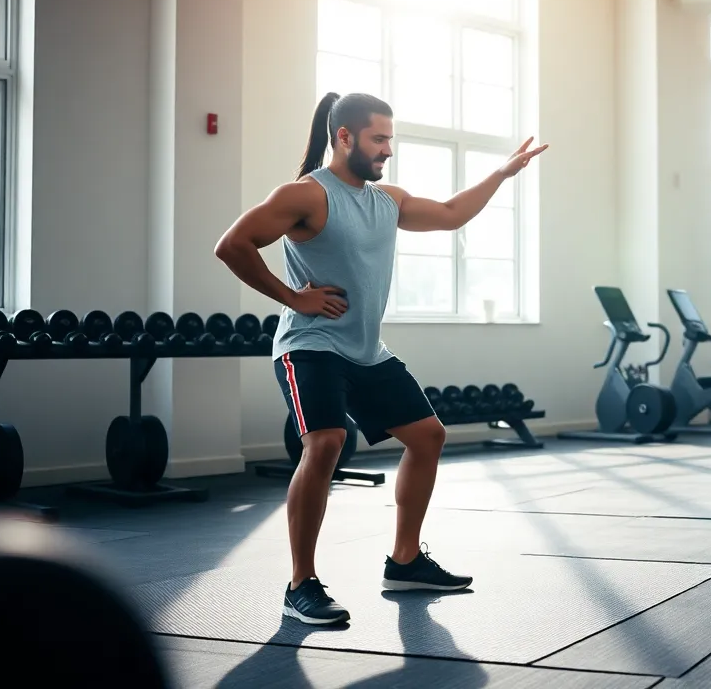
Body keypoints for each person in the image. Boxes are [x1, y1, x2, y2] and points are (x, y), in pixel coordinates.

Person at [213, 91, 548, 626]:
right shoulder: (306, 195)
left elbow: (451, 214)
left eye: (390, 139)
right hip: (310, 346)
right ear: (344, 136)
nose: (388, 149)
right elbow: (233, 244)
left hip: (367, 352)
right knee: (326, 442)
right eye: (379, 138)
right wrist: (294, 298)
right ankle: (300, 585)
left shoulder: (386, 200)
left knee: (428, 436)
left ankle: (405, 562)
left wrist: (502, 173)